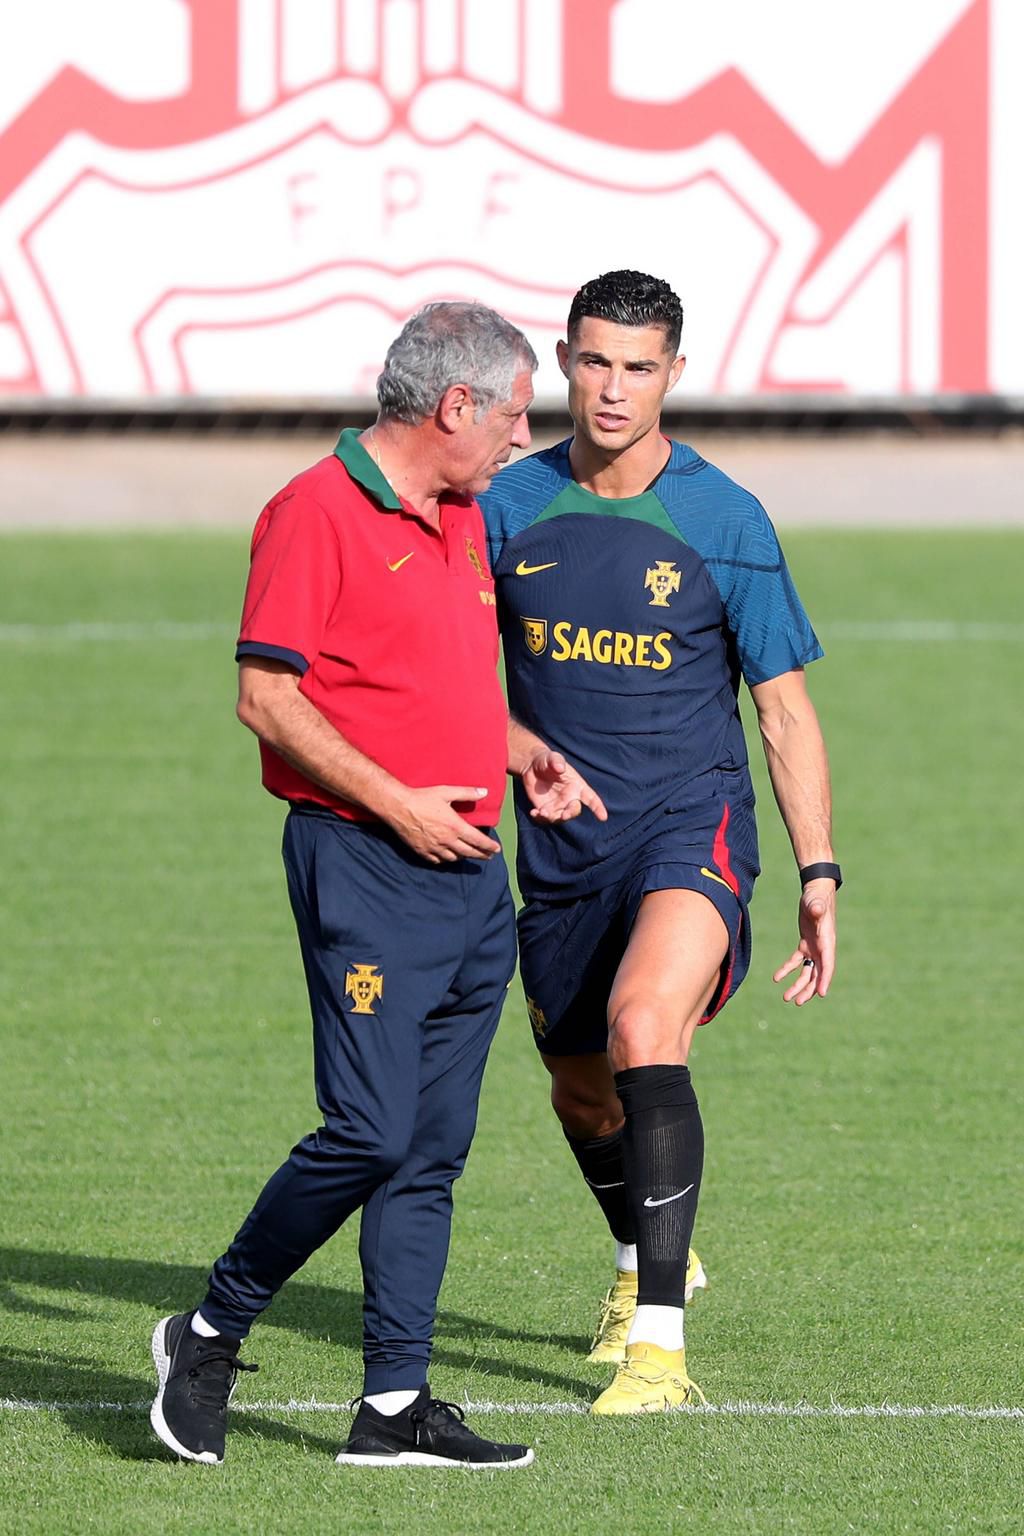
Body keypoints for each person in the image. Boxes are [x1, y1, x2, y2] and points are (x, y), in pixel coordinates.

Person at [148, 301, 589, 1470]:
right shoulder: (314, 513)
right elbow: (268, 698)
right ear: (455, 407)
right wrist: (400, 804)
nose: (519, 433)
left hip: (467, 880)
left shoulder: (463, 512)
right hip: (367, 865)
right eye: (512, 411)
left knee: (430, 1151)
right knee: (369, 1128)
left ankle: (392, 1408)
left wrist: (518, 750)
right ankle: (206, 1328)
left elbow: (416, 681)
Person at [479, 270, 840, 1415]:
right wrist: (516, 749)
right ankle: (643, 1259)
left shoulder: (724, 519)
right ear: (563, 362)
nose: (614, 389)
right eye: (594, 362)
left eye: (639, 367)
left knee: (645, 1027)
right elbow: (437, 677)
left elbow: (782, 709)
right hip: (563, 854)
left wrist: (819, 872)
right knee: (581, 1094)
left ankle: (660, 1352)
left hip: (695, 824)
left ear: (675, 373)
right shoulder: (503, 505)